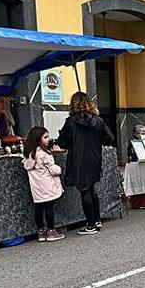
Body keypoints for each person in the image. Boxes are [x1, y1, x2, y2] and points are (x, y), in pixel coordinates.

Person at [57, 92, 115, 235]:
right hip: (94, 158)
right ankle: (97, 220)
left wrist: (70, 143)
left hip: (78, 160)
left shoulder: (71, 122)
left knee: (85, 191)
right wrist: (98, 141)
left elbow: (62, 141)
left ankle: (90, 225)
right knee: (91, 189)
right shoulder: (98, 121)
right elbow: (110, 138)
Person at [22, 127, 65, 242]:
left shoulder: (29, 154)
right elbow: (53, 170)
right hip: (48, 185)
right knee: (49, 207)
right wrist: (59, 169)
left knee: (38, 208)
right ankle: (51, 230)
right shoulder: (44, 154)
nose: (48, 139)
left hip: (36, 187)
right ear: (38, 139)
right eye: (45, 137)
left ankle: (40, 231)